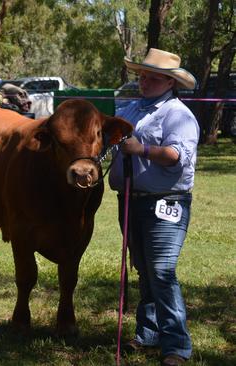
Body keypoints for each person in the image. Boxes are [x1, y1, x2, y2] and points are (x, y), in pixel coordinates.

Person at [109, 48, 199, 366]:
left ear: (168, 82)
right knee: (144, 271)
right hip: (130, 201)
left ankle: (176, 345)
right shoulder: (132, 109)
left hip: (166, 204)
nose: (142, 82)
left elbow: (177, 155)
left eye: (150, 78)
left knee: (161, 271)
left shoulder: (179, 115)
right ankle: (149, 333)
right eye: (141, 76)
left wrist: (142, 148)